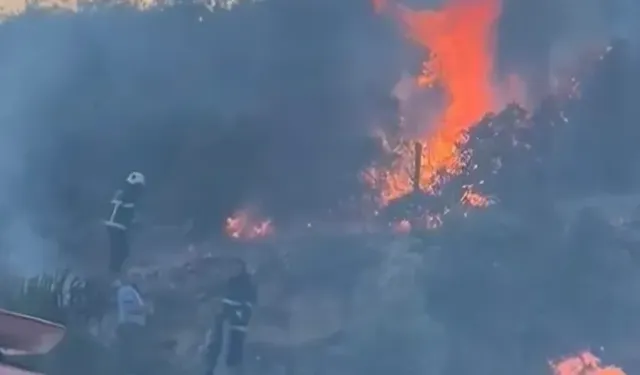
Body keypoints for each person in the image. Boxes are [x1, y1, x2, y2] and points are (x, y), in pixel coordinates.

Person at [205, 259, 257, 375]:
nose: (232, 269)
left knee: (233, 359)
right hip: (222, 326)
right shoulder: (224, 284)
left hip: (236, 329)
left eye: (236, 267)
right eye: (230, 266)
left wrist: (227, 308)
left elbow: (248, 305)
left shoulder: (246, 285)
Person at [105, 171, 145, 275]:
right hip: (118, 228)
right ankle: (115, 274)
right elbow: (127, 212)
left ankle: (114, 273)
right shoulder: (129, 195)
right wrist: (135, 221)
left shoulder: (121, 192)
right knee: (121, 253)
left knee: (117, 253)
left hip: (113, 226)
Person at [115, 276, 152, 375]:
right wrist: (146, 308)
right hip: (130, 327)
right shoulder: (127, 290)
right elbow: (131, 308)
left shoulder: (135, 292)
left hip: (134, 328)